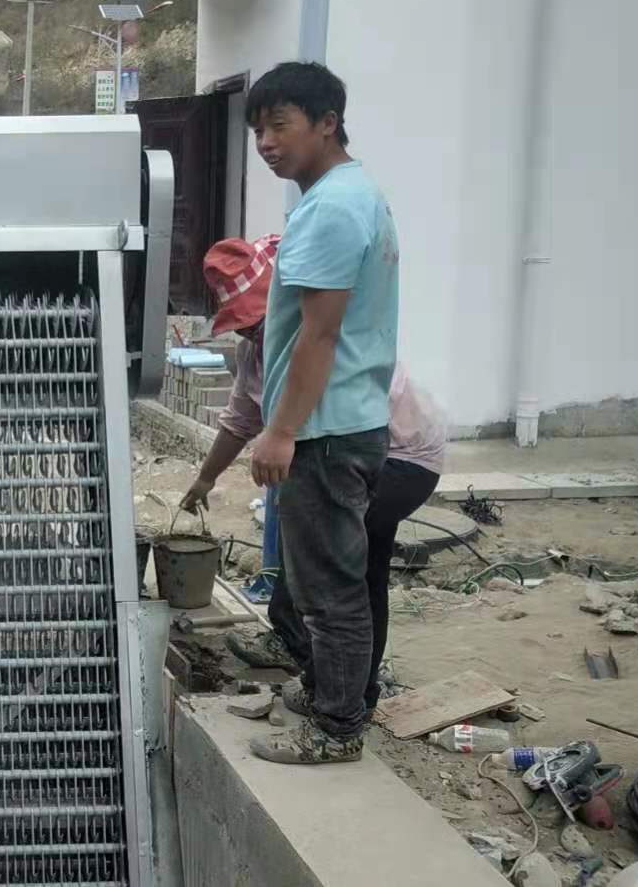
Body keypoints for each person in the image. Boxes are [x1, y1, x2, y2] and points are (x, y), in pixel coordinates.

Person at [180, 235, 445, 722]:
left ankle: (326, 689)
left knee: (326, 564)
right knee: (359, 570)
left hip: (400, 457)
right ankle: (351, 691)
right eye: (241, 324)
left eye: (254, 319)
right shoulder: (258, 352)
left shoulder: (318, 338)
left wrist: (280, 438)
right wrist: (205, 480)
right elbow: (240, 420)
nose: (250, 331)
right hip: (362, 457)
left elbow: (322, 425)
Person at [233, 61, 399, 765]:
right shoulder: (349, 194)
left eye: (280, 125)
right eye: (258, 130)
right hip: (339, 420)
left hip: (325, 429)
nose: (266, 143)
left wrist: (280, 431)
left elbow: (318, 335)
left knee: (329, 593)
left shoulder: (332, 208)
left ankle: (336, 730)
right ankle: (334, 696)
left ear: (327, 123)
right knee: (326, 583)